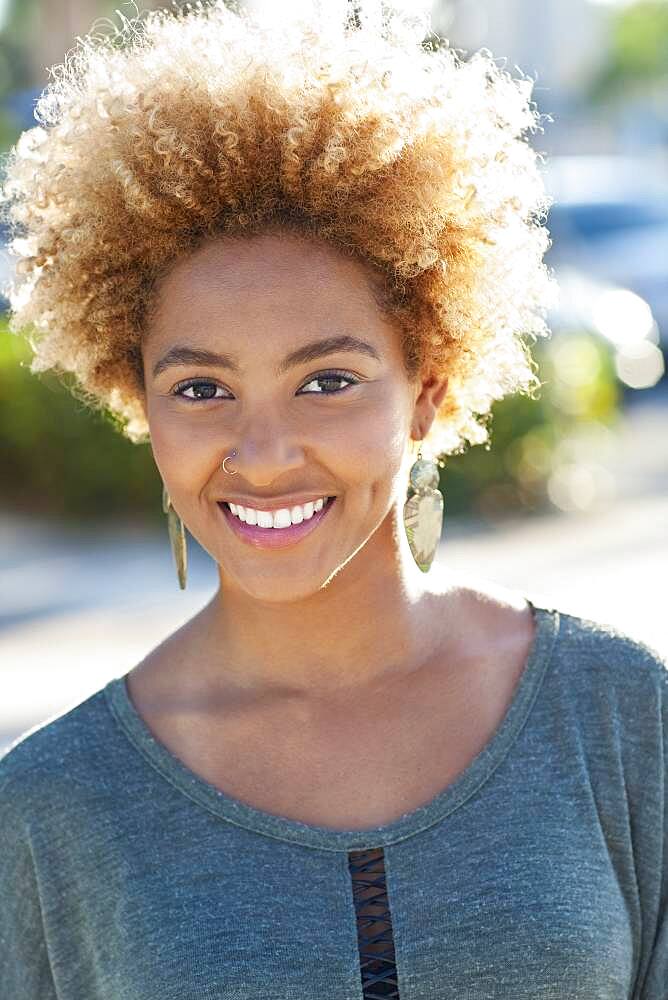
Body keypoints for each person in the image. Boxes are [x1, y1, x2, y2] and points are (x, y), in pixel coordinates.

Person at [0, 2, 665, 998]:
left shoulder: (612, 714)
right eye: (200, 389)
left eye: (326, 380)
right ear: (138, 404)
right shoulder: (49, 809)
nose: (262, 456)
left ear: (428, 388)